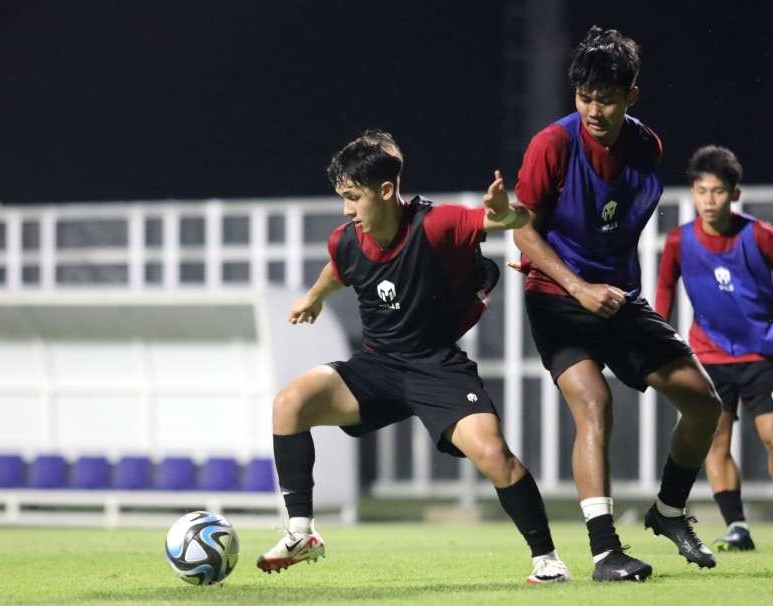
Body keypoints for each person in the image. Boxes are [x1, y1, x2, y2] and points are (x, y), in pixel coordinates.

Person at [257, 130, 571, 585]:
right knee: (290, 403)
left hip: (435, 366)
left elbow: (507, 220)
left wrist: (506, 212)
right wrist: (313, 298)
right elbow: (337, 268)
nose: (346, 209)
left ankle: (547, 560)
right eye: (342, 197)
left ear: (386, 191)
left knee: (494, 456)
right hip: (377, 367)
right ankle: (301, 531)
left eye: (353, 197)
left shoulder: (436, 224)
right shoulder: (345, 240)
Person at [513, 26, 722, 581]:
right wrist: (570, 278)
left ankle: (669, 511)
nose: (594, 109)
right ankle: (606, 553)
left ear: (632, 95)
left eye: (606, 97)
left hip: (617, 299)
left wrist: (606, 284)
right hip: (558, 301)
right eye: (584, 97)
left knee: (705, 404)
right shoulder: (551, 145)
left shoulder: (646, 146)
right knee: (594, 403)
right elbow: (523, 231)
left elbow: (613, 225)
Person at [656, 145, 773, 553]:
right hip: (707, 358)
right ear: (692, 193)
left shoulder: (757, 234)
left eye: (719, 191)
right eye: (702, 190)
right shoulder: (678, 241)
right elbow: (664, 290)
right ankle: (737, 527)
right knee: (716, 444)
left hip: (760, 356)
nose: (709, 200)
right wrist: (657, 337)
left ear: (735, 195)